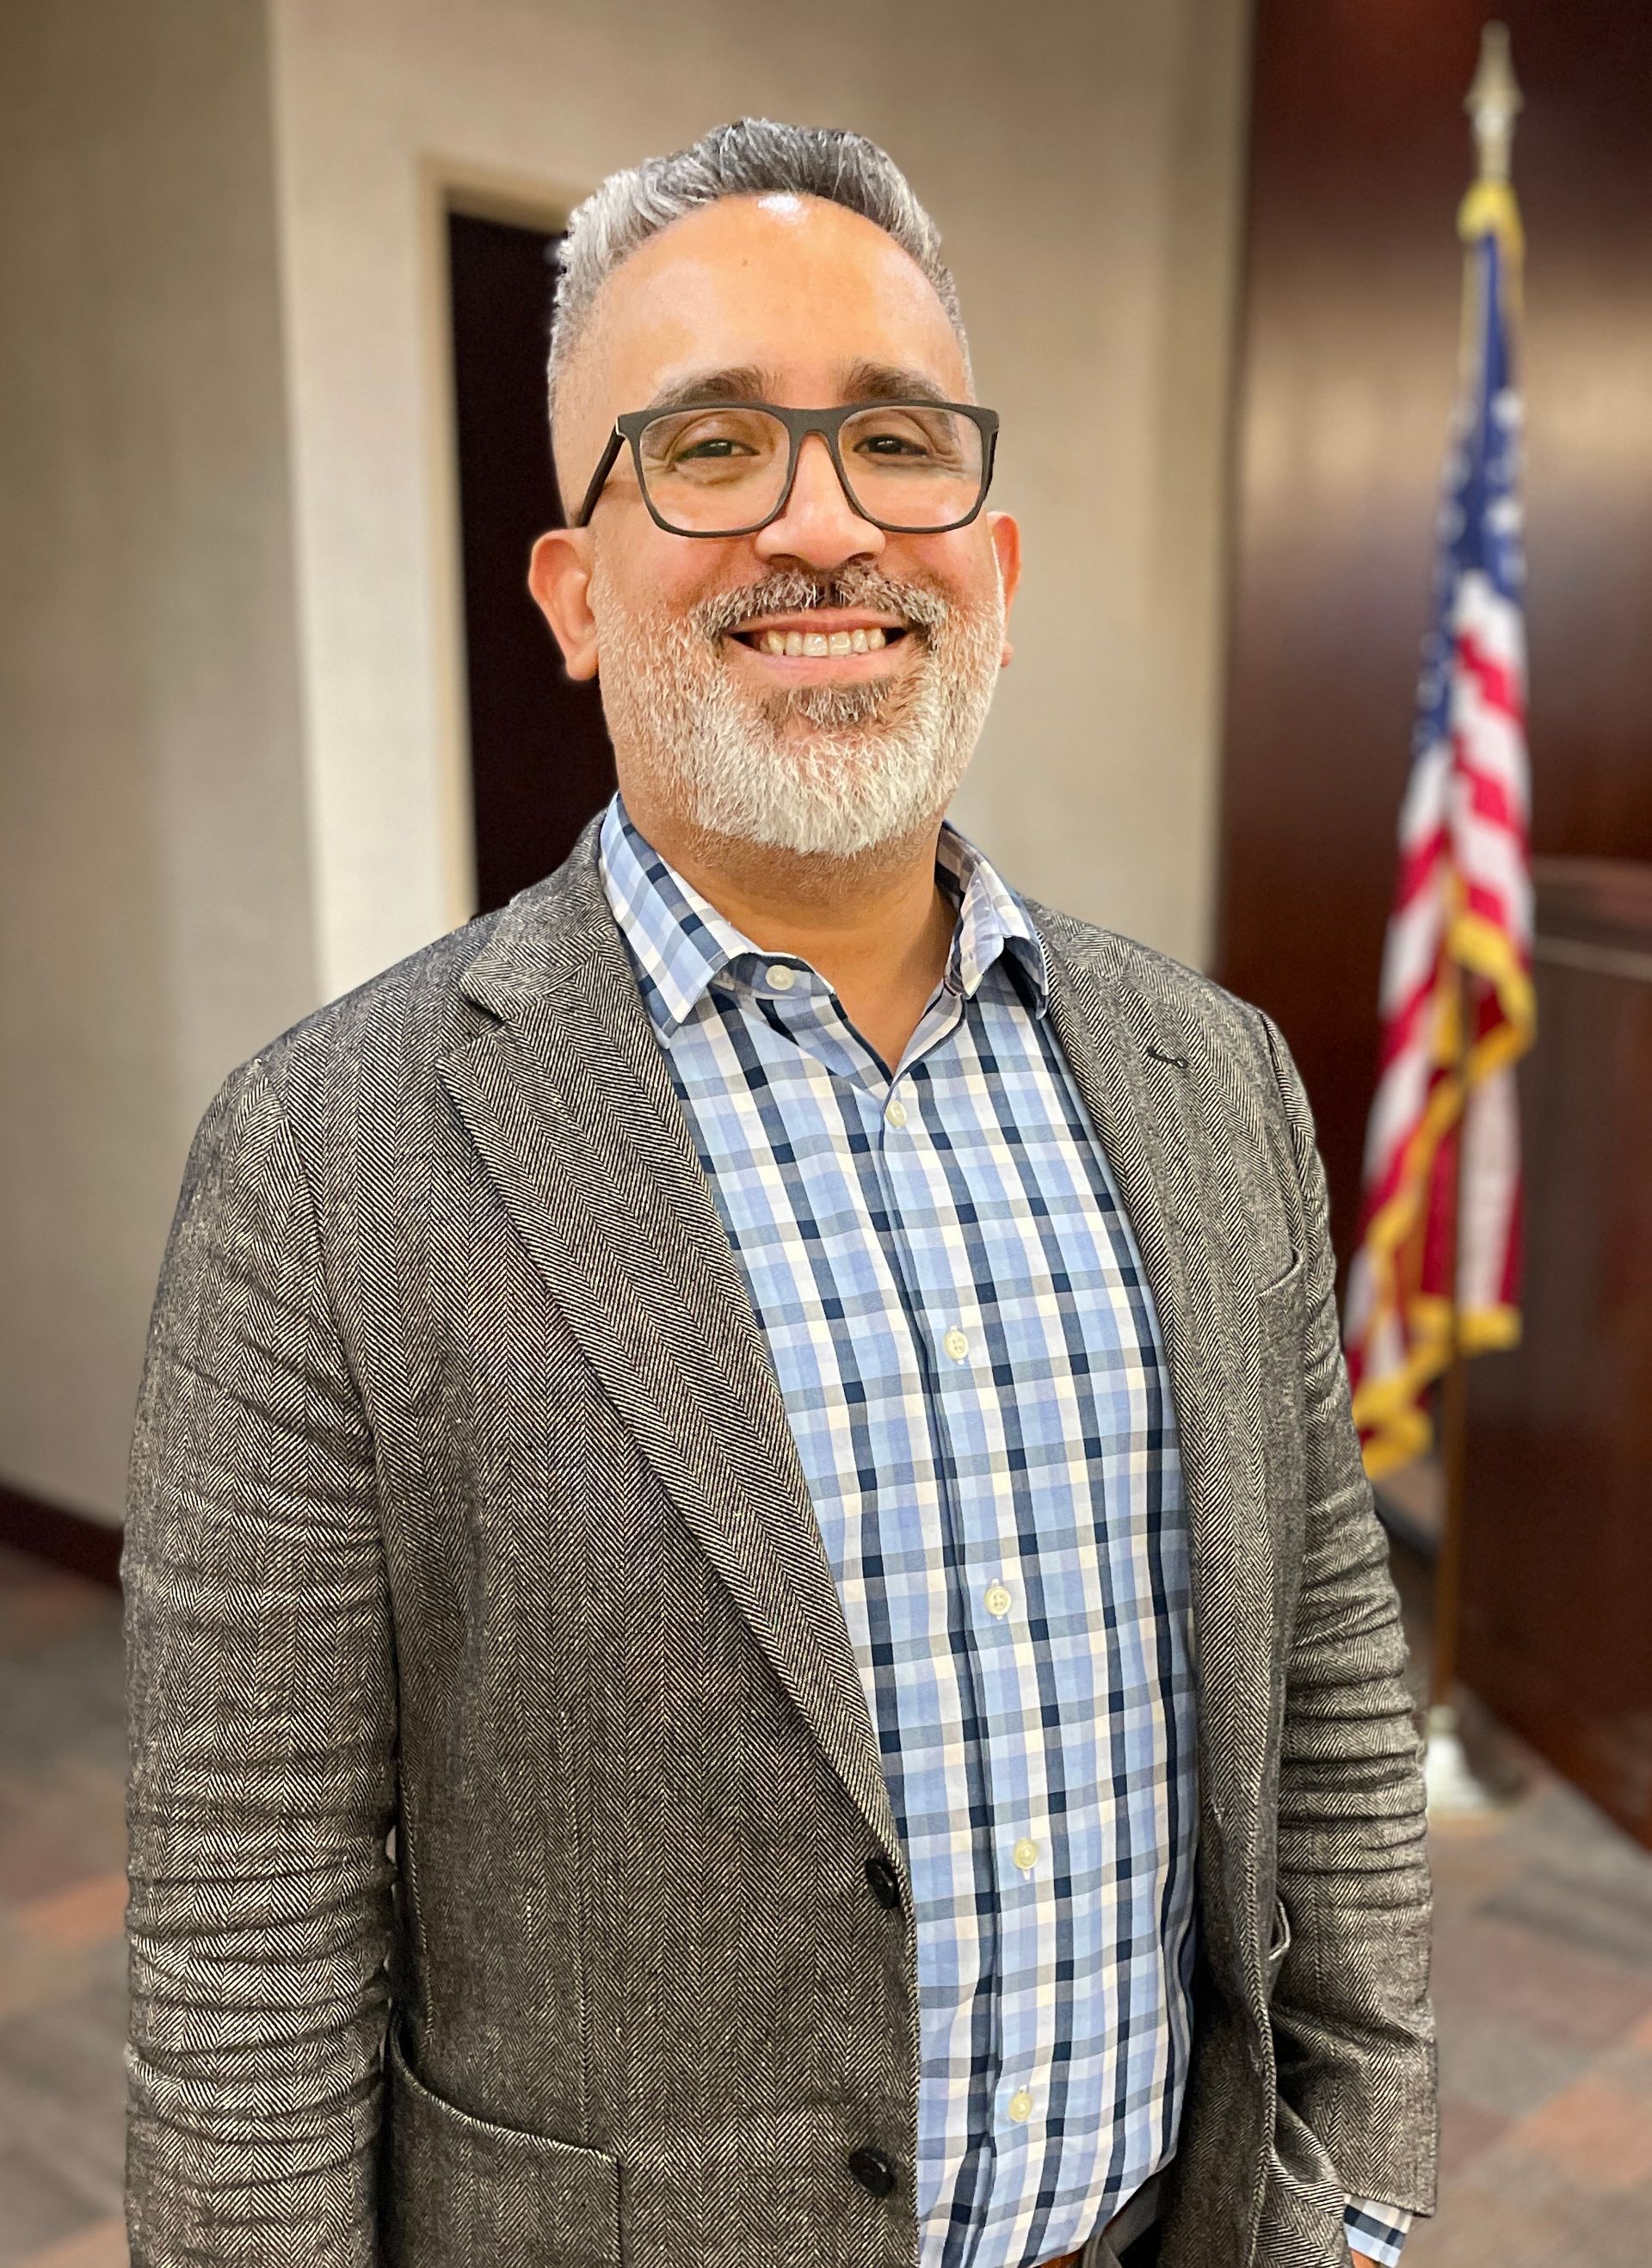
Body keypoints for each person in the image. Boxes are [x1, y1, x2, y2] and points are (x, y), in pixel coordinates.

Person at [124, 119, 1435, 2268]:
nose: (822, 526)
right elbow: (247, 1942)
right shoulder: (323, 1166)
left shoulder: (1218, 1083)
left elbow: (1335, 1700)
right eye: (710, 448)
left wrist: (1360, 2204)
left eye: (894, 443)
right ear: (571, 595)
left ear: (991, 575)